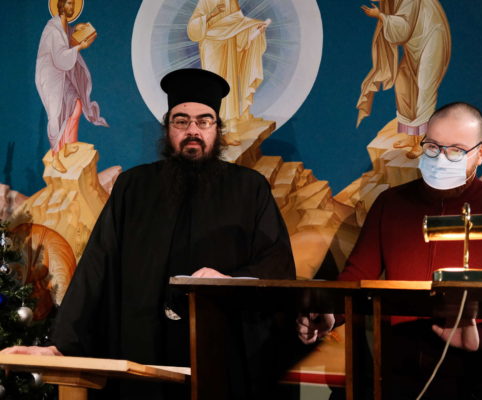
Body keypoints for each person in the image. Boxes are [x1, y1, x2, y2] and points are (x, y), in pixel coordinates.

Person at [3, 68, 295, 400]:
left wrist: (228, 281)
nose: (193, 131)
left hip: (221, 353)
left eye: (204, 121)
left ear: (218, 128)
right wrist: (61, 345)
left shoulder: (249, 188)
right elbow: (98, 266)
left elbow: (277, 264)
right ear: (168, 127)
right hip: (142, 356)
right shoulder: (134, 187)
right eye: (181, 121)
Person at [298, 102, 482, 400]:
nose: (441, 159)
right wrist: (331, 314)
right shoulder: (391, 204)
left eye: (456, 151)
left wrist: (479, 337)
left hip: (479, 382)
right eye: (433, 147)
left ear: (481, 153)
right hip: (399, 378)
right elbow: (357, 275)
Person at [357, 0, 451, 158]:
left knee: (424, 89)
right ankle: (411, 136)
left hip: (431, 41)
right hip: (415, 44)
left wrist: (380, 15)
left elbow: (403, 30)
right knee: (403, 83)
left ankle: (423, 142)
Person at [36, 0, 108, 173]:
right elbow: (60, 57)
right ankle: (55, 156)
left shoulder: (63, 27)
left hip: (62, 73)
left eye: (73, 4)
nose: (72, 7)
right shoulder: (52, 29)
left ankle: (68, 146)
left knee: (76, 105)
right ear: (61, 5)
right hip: (50, 76)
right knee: (56, 114)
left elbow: (66, 42)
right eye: (69, 3)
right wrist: (80, 47)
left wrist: (76, 30)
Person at [187, 0, 270, 144]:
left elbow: (238, 24)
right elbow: (193, 29)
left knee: (229, 87)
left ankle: (229, 130)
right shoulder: (206, 1)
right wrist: (211, 15)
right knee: (214, 86)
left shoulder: (232, 1)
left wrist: (254, 31)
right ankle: (212, 130)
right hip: (212, 46)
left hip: (229, 44)